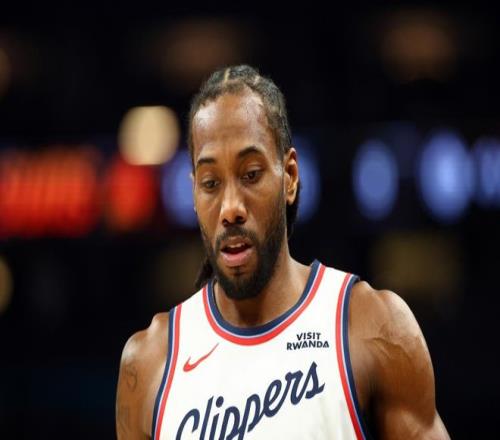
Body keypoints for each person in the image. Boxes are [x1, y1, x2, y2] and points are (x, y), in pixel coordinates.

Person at [115, 65, 450, 439]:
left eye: (251, 174)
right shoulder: (149, 362)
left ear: (289, 177)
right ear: (194, 192)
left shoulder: (370, 326)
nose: (230, 208)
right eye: (210, 183)